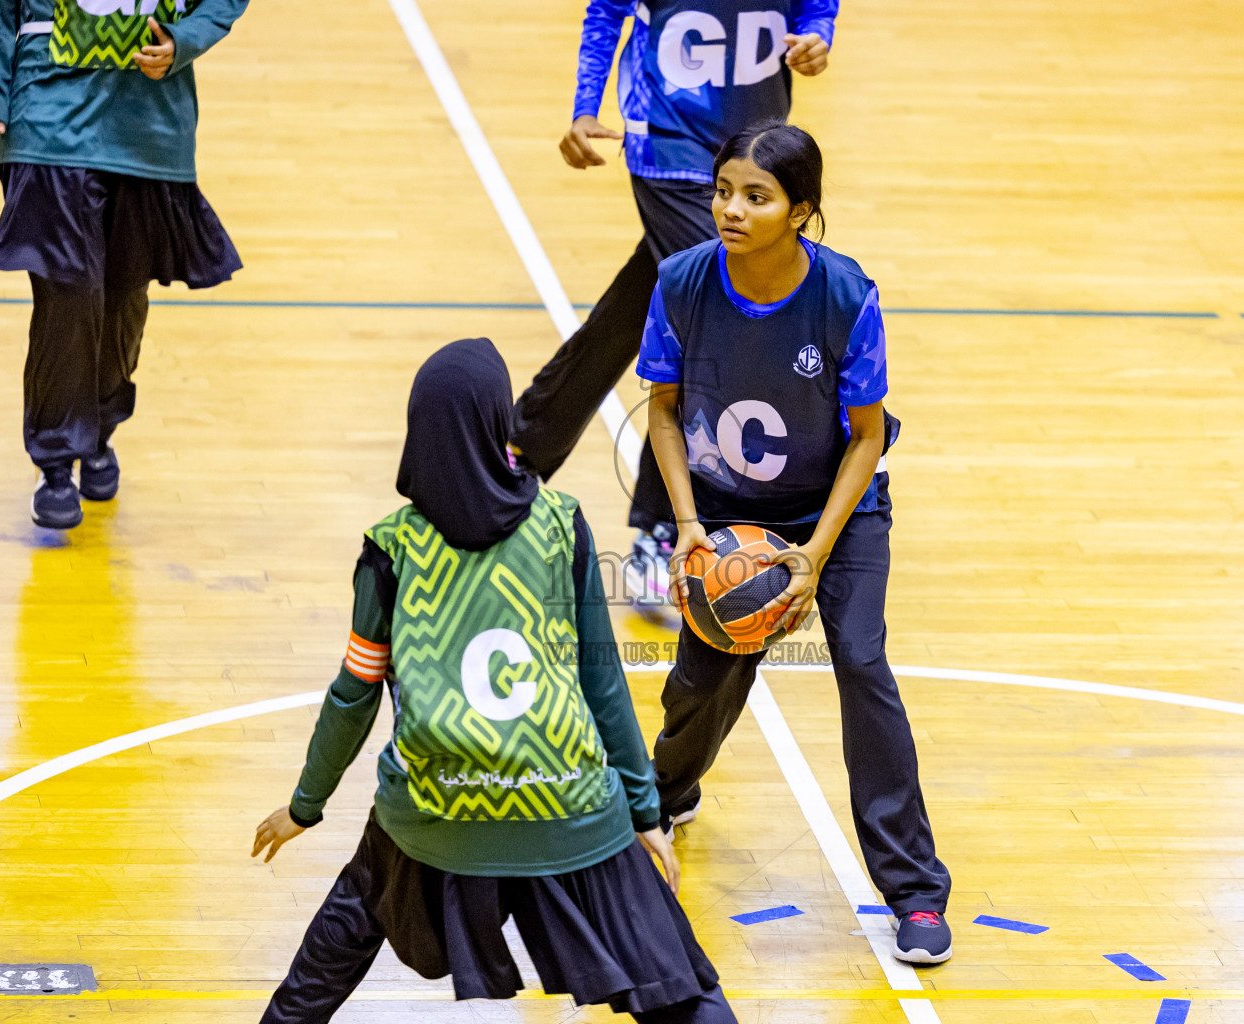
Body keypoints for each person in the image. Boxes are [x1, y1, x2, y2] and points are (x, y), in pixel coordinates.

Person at [252, 339, 737, 1024]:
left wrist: (305, 805)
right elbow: (602, 687)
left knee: (342, 935)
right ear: (498, 425)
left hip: (439, 810)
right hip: (563, 804)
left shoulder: (391, 549)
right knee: (686, 994)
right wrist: (645, 814)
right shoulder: (559, 526)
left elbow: (353, 693)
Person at [636, 122, 954, 964]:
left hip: (835, 511)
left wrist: (814, 553)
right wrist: (691, 527)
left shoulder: (846, 295)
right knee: (705, 674)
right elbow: (662, 414)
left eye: (756, 196)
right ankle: (662, 798)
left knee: (859, 659)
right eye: (723, 191)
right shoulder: (681, 281)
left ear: (801, 211)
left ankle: (916, 890)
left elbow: (866, 437)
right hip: (726, 507)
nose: (730, 209)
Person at [510, 0, 837, 611]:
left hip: (754, 155)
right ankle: (660, 534)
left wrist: (818, 36)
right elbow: (606, 11)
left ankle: (521, 449)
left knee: (643, 305)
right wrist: (586, 107)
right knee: (716, 318)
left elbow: (816, 7)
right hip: (670, 151)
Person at [0, 0, 246, 529]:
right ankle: (55, 463)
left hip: (149, 127)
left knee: (123, 297)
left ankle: (98, 425)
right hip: (47, 115)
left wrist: (185, 41)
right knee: (68, 293)